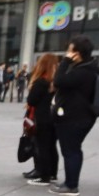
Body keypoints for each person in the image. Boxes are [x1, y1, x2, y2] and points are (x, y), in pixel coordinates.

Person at [49, 35, 99, 196]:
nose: (67, 53)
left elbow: (58, 81)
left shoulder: (83, 71)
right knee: (72, 150)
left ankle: (71, 185)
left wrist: (65, 61)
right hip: (81, 116)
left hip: (74, 117)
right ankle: (70, 182)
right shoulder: (91, 68)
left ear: (77, 53)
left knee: (71, 150)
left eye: (70, 50)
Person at [23, 53, 59, 186]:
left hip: (42, 117)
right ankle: (53, 173)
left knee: (42, 146)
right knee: (51, 146)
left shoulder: (41, 82)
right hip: (54, 117)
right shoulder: (57, 82)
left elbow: (32, 100)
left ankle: (44, 175)